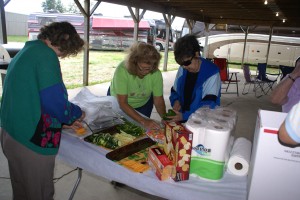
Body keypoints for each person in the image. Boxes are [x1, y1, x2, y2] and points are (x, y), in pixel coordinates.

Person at [0, 21, 85, 200]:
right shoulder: (45, 55)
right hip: (29, 141)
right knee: (39, 193)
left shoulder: (27, 51)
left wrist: (61, 124)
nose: (62, 57)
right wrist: (77, 113)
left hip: (13, 133)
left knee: (23, 190)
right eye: (64, 52)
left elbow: (30, 98)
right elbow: (54, 102)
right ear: (63, 40)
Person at [109, 42, 166, 130]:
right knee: (119, 129)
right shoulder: (122, 70)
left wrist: (164, 118)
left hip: (143, 103)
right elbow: (122, 103)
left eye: (148, 69)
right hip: (119, 102)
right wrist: (143, 121)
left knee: (141, 130)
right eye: (142, 68)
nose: (145, 72)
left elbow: (158, 100)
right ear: (133, 63)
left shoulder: (155, 73)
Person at [168, 34, 221, 122]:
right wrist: (176, 101)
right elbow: (175, 91)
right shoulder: (183, 68)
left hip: (201, 123)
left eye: (187, 63)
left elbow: (208, 106)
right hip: (182, 117)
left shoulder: (212, 73)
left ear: (196, 54)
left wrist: (184, 116)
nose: (184, 67)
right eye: (181, 64)